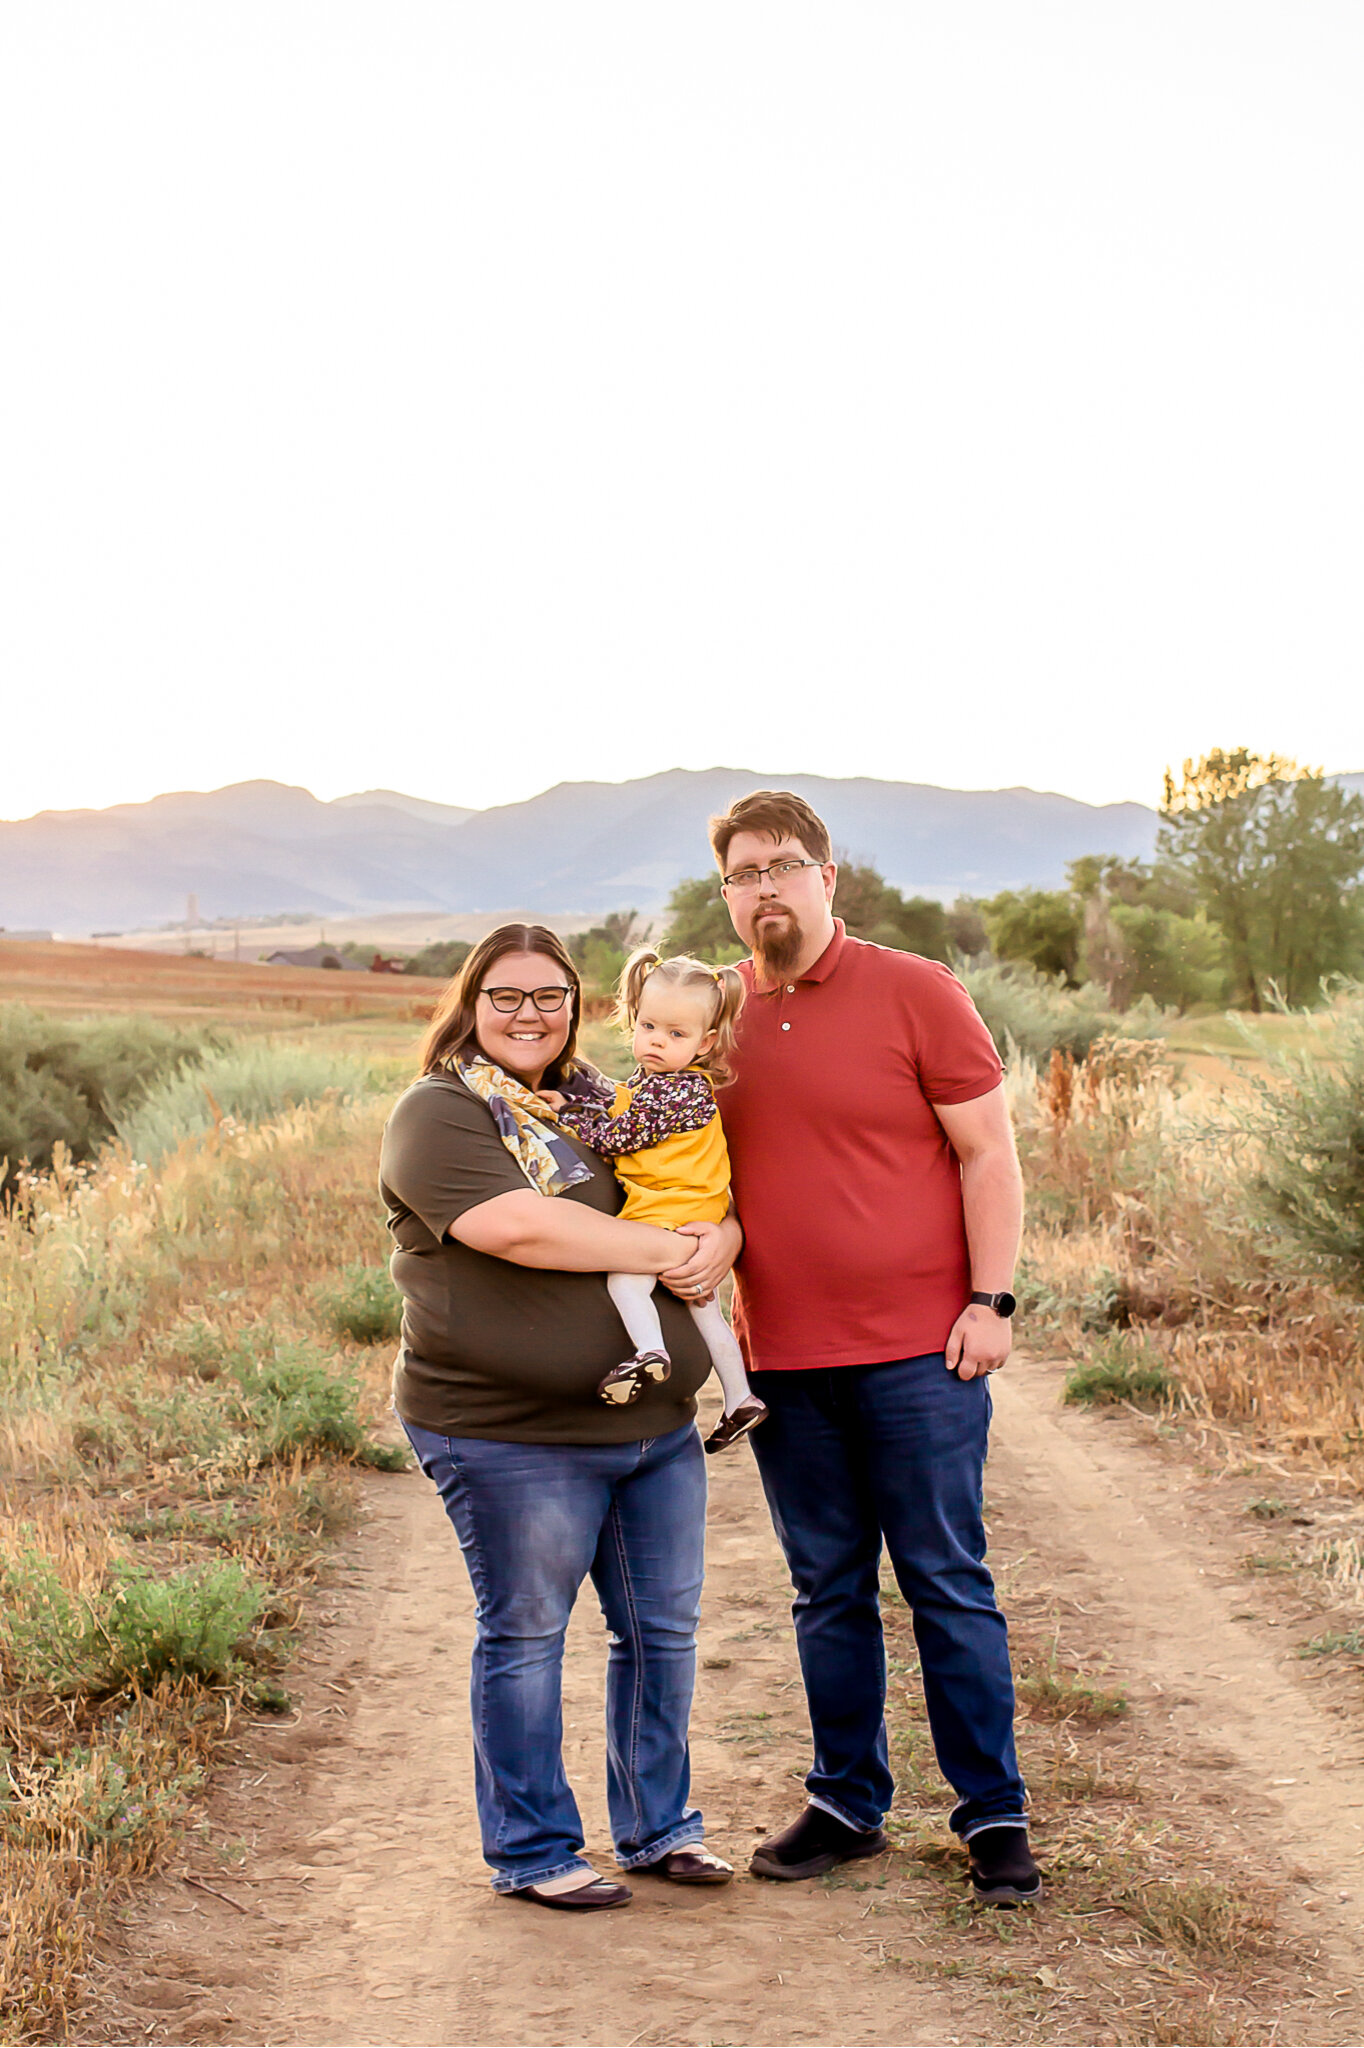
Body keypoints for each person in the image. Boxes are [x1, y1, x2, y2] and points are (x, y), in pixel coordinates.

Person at [707, 791, 1040, 1907]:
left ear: (826, 876)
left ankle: (991, 1810)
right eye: (743, 871)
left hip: (919, 1354)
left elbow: (986, 1155)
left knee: (945, 1579)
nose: (766, 887)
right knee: (824, 1589)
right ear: (726, 893)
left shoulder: (915, 990)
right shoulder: (712, 1021)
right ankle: (847, 1801)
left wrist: (989, 1300)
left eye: (784, 864)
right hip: (784, 1362)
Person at [379, 923, 740, 1910]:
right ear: (470, 1002)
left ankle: (658, 1825)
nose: (529, 1012)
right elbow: (521, 1227)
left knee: (659, 1633)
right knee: (528, 1632)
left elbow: (697, 1184)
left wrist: (723, 1232)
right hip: (509, 1431)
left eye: (549, 995)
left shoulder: (598, 1104)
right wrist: (669, 1246)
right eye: (506, 994)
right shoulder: (443, 1112)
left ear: (577, 1007)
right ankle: (533, 1848)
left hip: (651, 1426)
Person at [550, 946, 769, 1453]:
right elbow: (620, 1102)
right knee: (703, 1308)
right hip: (695, 1210)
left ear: (705, 1042)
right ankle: (740, 1399)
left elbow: (620, 1135)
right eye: (648, 1027)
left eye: (676, 1035)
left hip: (669, 1210)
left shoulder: (677, 1091)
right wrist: (589, 1100)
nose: (656, 1042)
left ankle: (650, 1350)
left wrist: (568, 1113)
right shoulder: (661, 1083)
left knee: (626, 1279)